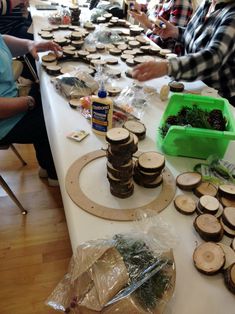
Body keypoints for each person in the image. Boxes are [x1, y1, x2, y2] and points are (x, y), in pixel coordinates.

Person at [132, 0, 235, 106]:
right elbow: (194, 37)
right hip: (193, 85)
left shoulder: (232, 15)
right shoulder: (208, 3)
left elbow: (214, 57)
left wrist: (168, 67)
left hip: (217, 97)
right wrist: (175, 31)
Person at [0, 34, 62, 186]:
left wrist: (30, 43)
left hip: (10, 104)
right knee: (53, 121)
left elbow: (3, 41)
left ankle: (47, 167)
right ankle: (54, 174)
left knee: (48, 99)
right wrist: (27, 102)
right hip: (4, 121)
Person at [129, 0, 193, 54]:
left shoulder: (182, 2)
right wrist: (135, 6)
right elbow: (148, 10)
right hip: (150, 44)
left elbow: (171, 39)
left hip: (162, 53)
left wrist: (147, 23)